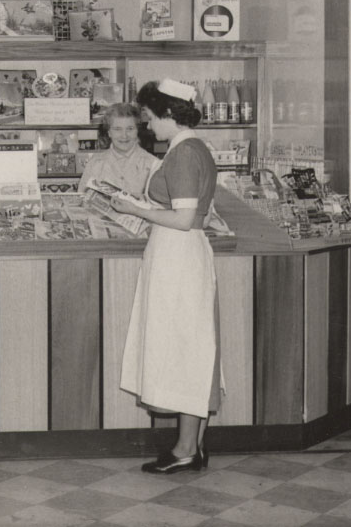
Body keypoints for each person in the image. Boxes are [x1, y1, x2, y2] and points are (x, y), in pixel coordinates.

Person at [112, 78, 220, 475]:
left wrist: (134, 208)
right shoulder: (191, 148)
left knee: (182, 349)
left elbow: (185, 217)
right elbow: (202, 215)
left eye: (151, 118)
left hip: (178, 257)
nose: (147, 126)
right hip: (182, 254)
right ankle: (191, 446)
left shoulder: (184, 153)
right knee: (190, 347)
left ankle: (186, 449)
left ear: (170, 114)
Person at [77, 102, 158, 197]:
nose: (124, 135)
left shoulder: (152, 164)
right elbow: (81, 200)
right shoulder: (95, 163)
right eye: (117, 129)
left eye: (130, 129)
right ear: (109, 132)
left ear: (137, 131)